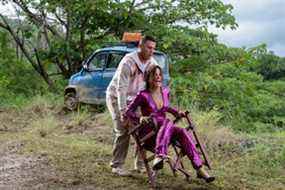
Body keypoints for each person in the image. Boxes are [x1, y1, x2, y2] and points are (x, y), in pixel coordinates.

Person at [124, 65, 215, 183]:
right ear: (148, 78)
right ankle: (160, 153)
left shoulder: (165, 91)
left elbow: (166, 107)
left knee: (181, 131)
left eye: (159, 75)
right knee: (166, 122)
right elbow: (128, 111)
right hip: (149, 133)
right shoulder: (143, 95)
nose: (158, 77)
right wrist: (140, 117)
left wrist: (177, 113)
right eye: (154, 75)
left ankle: (199, 168)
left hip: (165, 132)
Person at [106, 35, 158, 176]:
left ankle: (140, 165)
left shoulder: (152, 63)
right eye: (149, 47)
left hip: (135, 100)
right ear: (140, 47)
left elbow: (152, 87)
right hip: (116, 97)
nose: (151, 51)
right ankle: (117, 166)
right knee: (123, 129)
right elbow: (120, 89)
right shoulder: (128, 62)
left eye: (153, 48)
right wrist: (124, 112)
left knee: (144, 128)